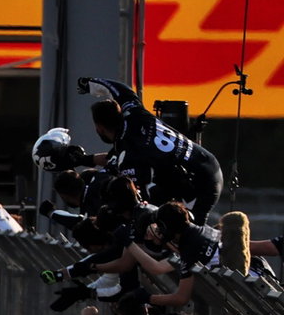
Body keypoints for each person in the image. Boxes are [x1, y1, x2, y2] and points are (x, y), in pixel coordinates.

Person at [77, 76, 224, 223]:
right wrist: (90, 83)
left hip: (201, 185)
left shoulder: (128, 156)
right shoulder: (135, 112)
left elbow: (139, 198)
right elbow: (120, 89)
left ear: (100, 128)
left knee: (178, 231)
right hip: (208, 162)